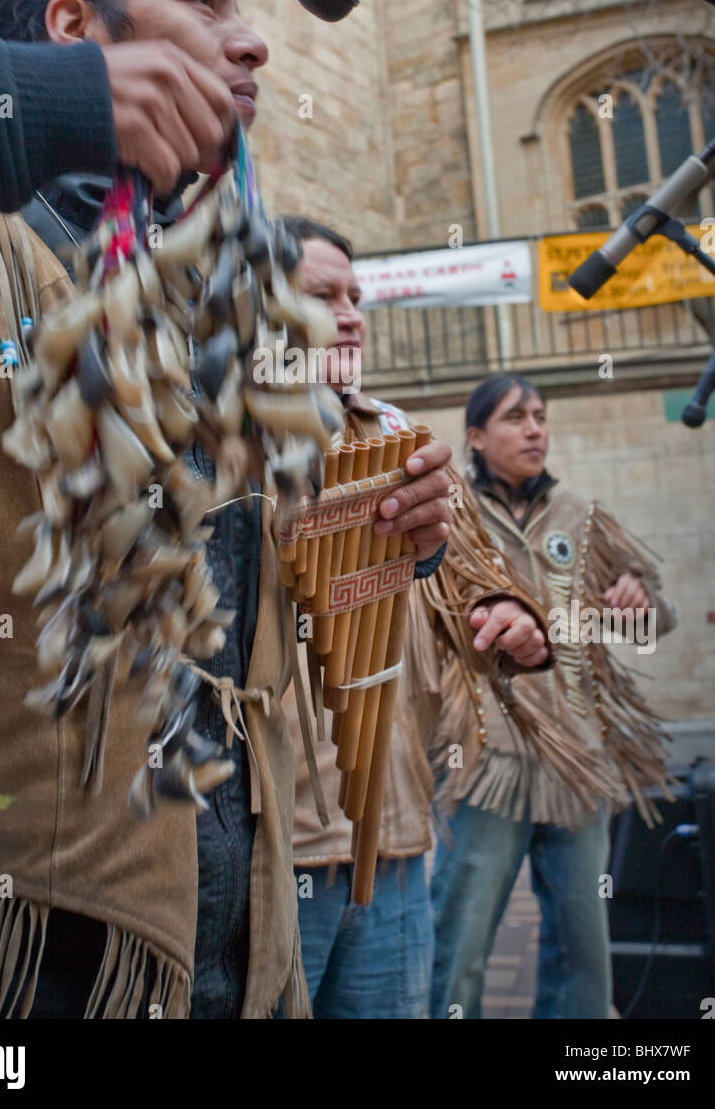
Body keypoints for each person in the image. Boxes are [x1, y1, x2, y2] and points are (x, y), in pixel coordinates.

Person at [0, 0, 453, 1019]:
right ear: (70, 31)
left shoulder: (219, 315)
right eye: (200, 0)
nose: (253, 38)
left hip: (229, 947)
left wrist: (395, 552)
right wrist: (18, 108)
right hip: (9, 974)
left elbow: (260, 623)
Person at [278, 219, 552, 1019]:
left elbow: (471, 583)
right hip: (274, 848)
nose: (352, 313)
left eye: (356, 296)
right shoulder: (220, 443)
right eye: (322, 296)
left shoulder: (399, 438)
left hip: (396, 837)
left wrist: (508, 619)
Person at [429, 373, 677, 1020]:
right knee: (460, 945)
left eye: (540, 415)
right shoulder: (451, 519)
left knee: (583, 949)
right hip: (486, 764)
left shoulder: (582, 515)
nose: (535, 428)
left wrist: (639, 603)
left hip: (578, 761)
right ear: (476, 437)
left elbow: (658, 619)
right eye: (515, 417)